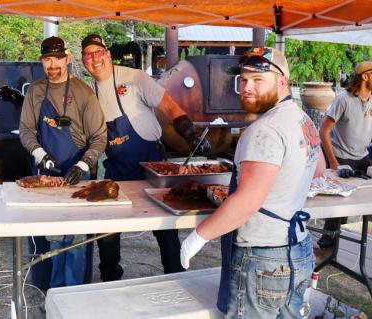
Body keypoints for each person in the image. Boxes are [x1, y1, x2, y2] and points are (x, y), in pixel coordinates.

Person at [180, 47, 325, 318]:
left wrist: (198, 237)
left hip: (264, 257)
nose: (247, 87)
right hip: (299, 249)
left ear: (282, 81)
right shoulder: (303, 119)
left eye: (258, 80)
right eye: (243, 80)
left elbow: (247, 201)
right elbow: (319, 169)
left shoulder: (265, 130)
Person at [81, 34, 211, 281]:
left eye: (98, 52)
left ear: (107, 53)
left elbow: (169, 105)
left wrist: (191, 134)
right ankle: (110, 281)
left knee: (164, 229)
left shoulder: (135, 78)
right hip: (117, 169)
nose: (94, 59)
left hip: (151, 164)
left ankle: (176, 278)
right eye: (88, 55)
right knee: (106, 230)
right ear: (83, 60)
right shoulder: (89, 93)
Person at [19, 36, 107, 289]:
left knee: (77, 240)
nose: (53, 64)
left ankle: (75, 299)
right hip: (46, 178)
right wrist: (39, 154)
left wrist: (83, 165)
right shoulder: (35, 90)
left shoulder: (83, 92)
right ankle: (55, 296)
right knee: (54, 240)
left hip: (78, 175)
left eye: (57, 58)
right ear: (42, 62)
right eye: (47, 59)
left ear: (67, 59)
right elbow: (25, 129)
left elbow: (100, 137)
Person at [317, 61, 372, 248]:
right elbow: (323, 131)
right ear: (365, 76)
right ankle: (329, 244)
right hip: (341, 156)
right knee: (340, 207)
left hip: (363, 156)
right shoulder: (343, 99)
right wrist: (333, 163)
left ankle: (363, 242)